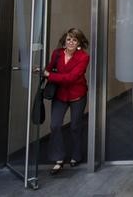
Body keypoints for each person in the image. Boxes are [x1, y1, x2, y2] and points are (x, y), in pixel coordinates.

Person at [43, 28, 90, 175]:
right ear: (65, 40)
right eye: (69, 39)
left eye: (74, 40)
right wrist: (44, 72)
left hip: (77, 96)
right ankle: (58, 159)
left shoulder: (84, 57)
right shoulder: (57, 54)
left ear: (79, 43)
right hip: (60, 95)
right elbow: (49, 69)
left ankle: (76, 155)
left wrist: (49, 75)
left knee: (75, 126)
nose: (71, 42)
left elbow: (71, 78)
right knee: (55, 125)